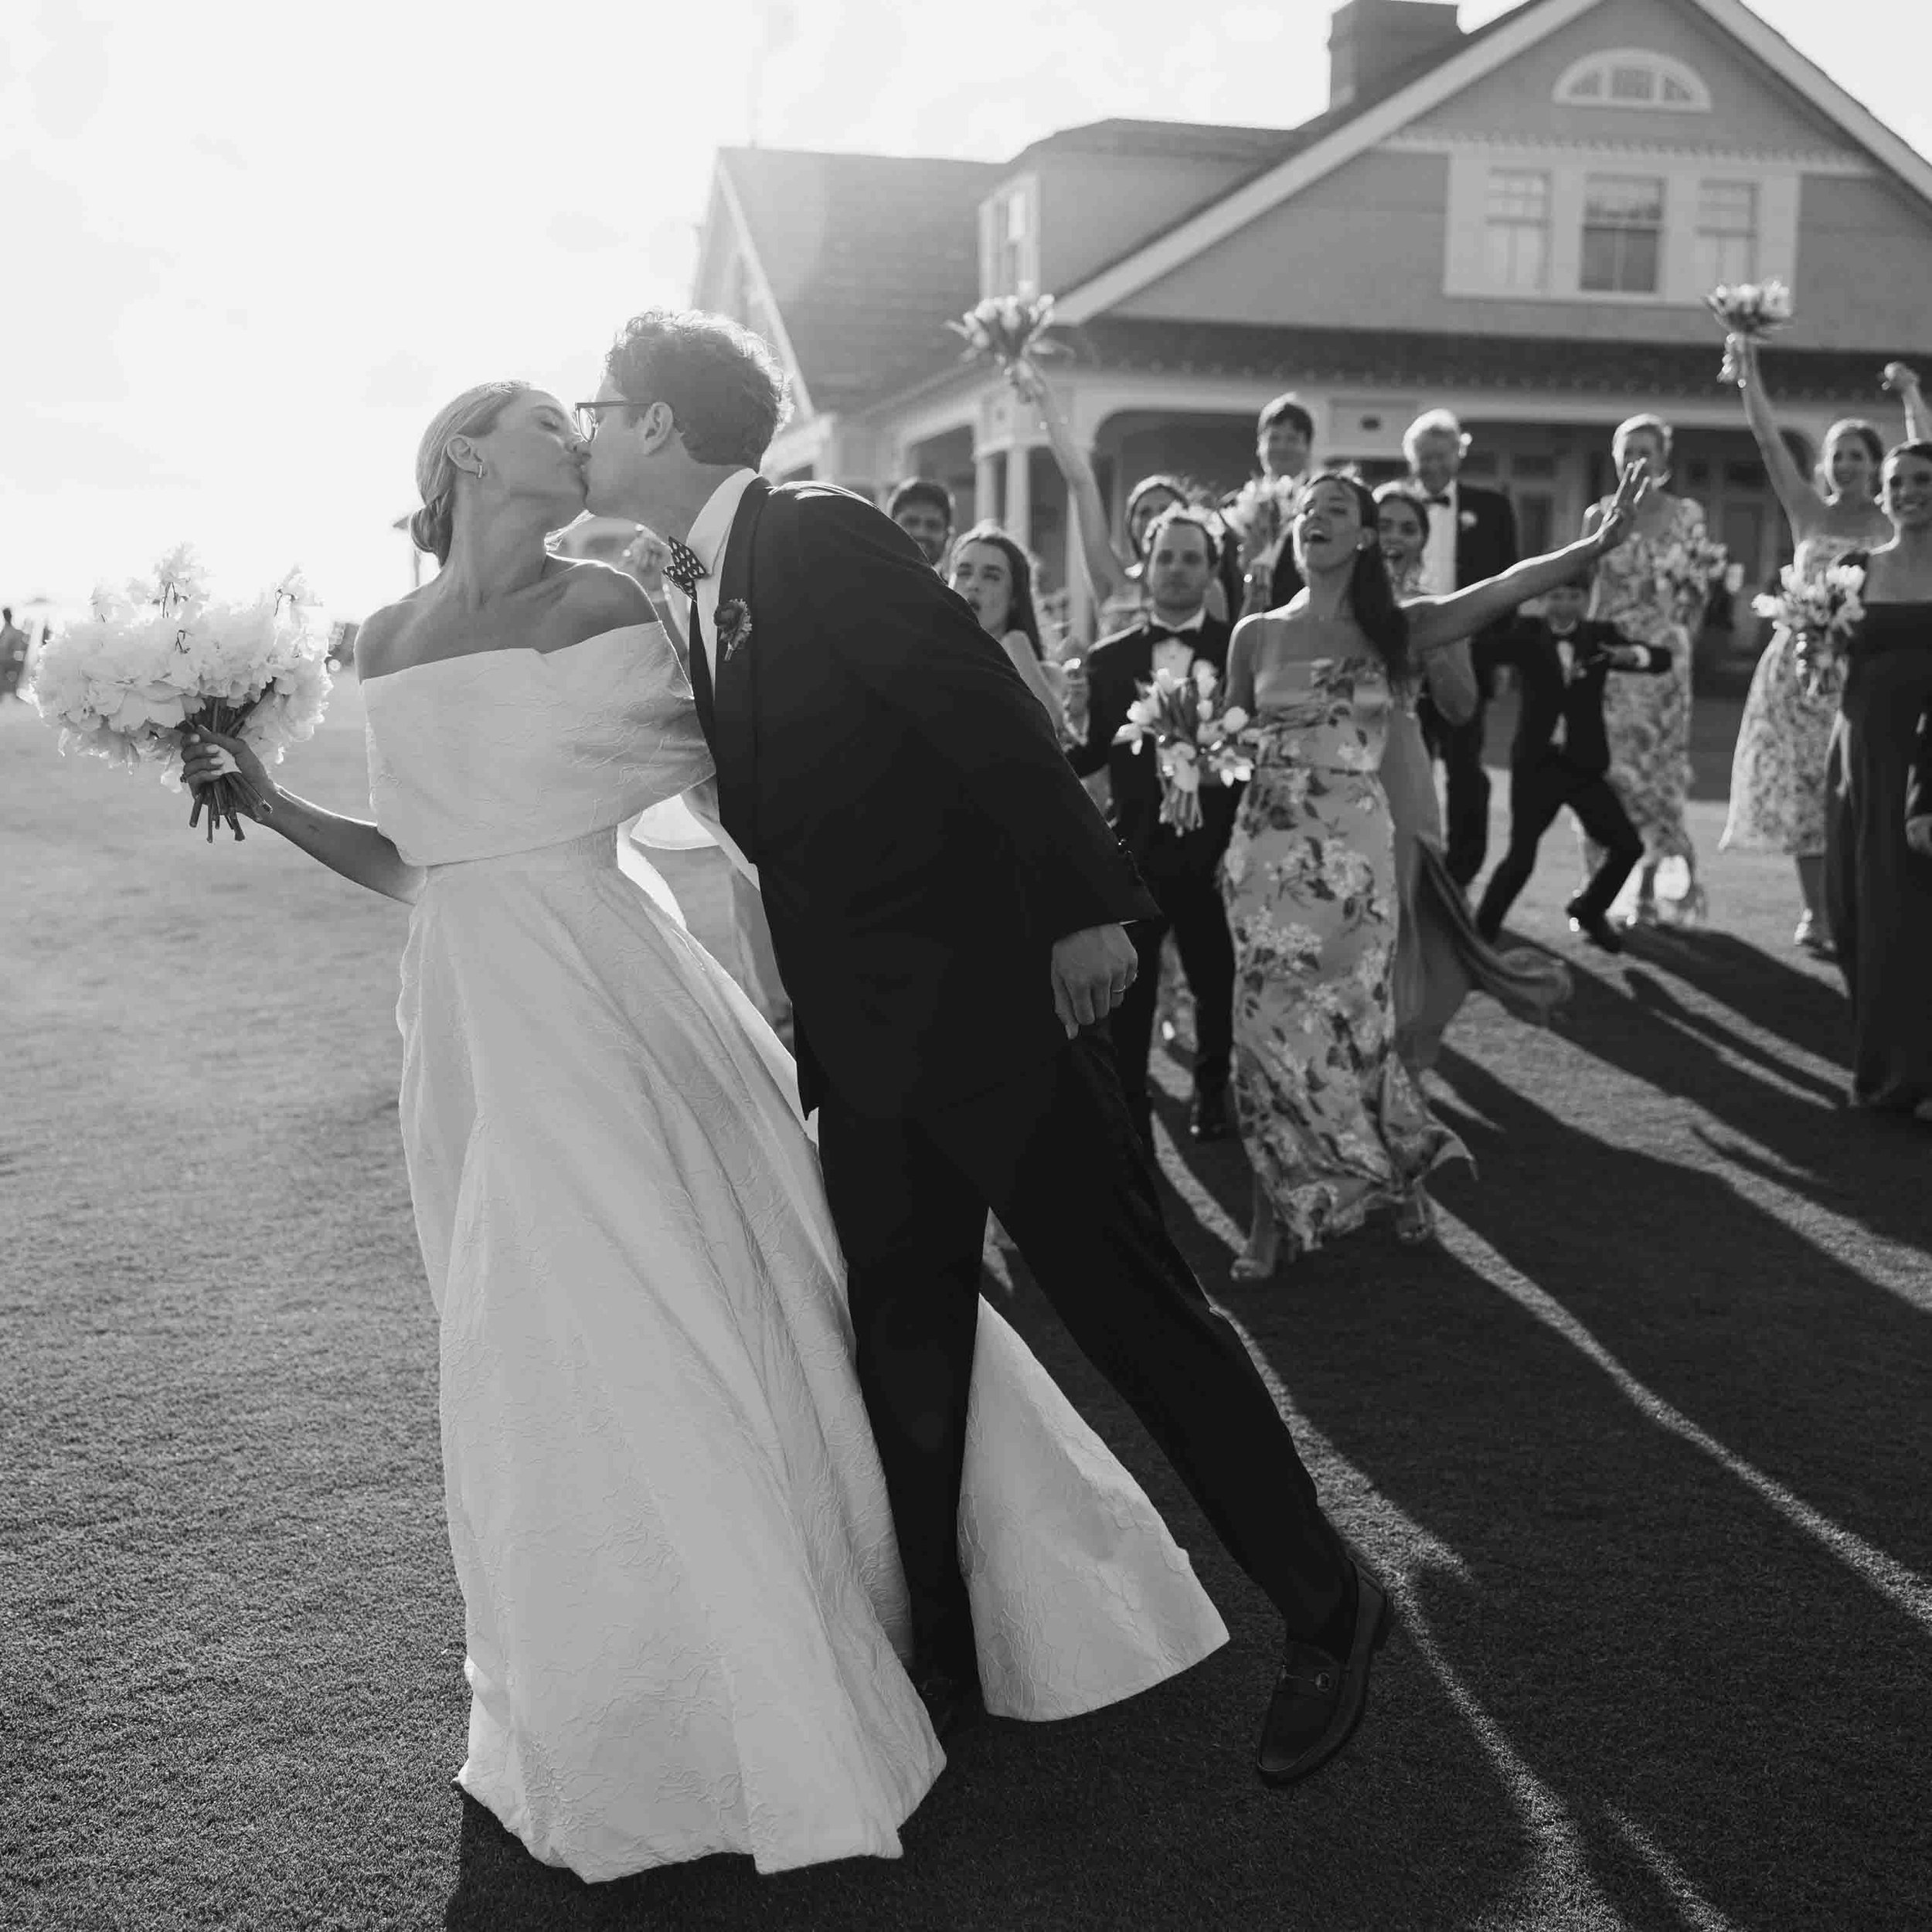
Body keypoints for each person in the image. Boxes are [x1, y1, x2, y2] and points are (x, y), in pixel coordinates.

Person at [176, 380, 1232, 1882]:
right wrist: (271, 802)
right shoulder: (381, 641)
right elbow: (419, 860)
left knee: (661, 1298)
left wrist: (944, 920)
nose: (575, 432)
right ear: (470, 451)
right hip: (473, 1020)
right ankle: (600, 1670)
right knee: (533, 1332)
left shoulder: (611, 602)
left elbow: (765, 783)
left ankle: (793, 1649)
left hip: (611, 995)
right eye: (546, 418)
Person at [581, 307, 1391, 1795]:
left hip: (986, 1014)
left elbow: (974, 707)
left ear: (657, 425)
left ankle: (1333, 1606)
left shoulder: (812, 529)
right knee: (904, 1346)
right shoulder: (691, 583)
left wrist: (1093, 910)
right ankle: (941, 1660)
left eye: (599, 402)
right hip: (863, 1053)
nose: (584, 424)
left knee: (1136, 1316)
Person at [1219, 462, 1647, 1276]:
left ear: (1364, 536)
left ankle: (1398, 1173)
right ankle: (1268, 1219)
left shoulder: (1400, 628)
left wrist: (1590, 546)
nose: (1315, 515)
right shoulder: (1256, 632)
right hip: (1264, 853)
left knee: (1358, 1029)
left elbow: (1498, 589)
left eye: (1335, 507)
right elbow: (1233, 733)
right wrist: (1193, 745)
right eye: (1307, 507)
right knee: (1260, 1038)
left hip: (1353, 858)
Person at [1372, 484, 1570, 1070]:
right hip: (1329, 774)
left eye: (1409, 527)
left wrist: (1436, 645)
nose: (1395, 537)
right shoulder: (1323, 602)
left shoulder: (1438, 610)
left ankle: (1409, 1056)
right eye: (1384, 523)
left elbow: (1460, 707)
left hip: (1399, 770)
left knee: (1412, 918)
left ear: (1423, 544)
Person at [1720, 336, 1897, 954]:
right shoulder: (1808, 513)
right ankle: (1815, 915)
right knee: (1804, 795)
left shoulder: (1893, 524)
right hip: (1797, 673)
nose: (1846, 464)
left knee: (1861, 793)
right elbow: (1769, 442)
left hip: (1863, 672)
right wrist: (1749, 375)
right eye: (1836, 456)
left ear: (1877, 465)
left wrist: (1912, 397)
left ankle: (1862, 907)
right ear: (1824, 466)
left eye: (1856, 455)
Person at [1069, 506, 1239, 1146]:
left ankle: (1213, 1090)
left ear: (1211, 570)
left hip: (1213, 854)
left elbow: (1254, 753)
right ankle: (1132, 1110)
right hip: (1134, 854)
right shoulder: (1110, 659)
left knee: (1214, 980)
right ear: (1147, 566)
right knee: (1130, 998)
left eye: (1190, 558)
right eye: (1165, 557)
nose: (1175, 570)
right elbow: (1091, 755)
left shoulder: (1235, 648)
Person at [1474, 573, 1675, 953]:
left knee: (1627, 846)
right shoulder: (1526, 633)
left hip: (1583, 766)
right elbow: (1480, 649)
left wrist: (1633, 656)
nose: (1563, 604)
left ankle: (1589, 908)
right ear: (1543, 600)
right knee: (1521, 859)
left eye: (1572, 596)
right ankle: (1479, 935)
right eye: (1555, 596)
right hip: (1538, 766)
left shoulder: (1600, 635)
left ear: (1584, 600)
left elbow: (1661, 660)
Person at [1823, 441, 1932, 1112]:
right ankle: (1882, 1067)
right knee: (1857, 907)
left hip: (1929, 756)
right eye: (1899, 482)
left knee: (1916, 912)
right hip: (1862, 755)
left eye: (1924, 480)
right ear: (1882, 492)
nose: (1910, 491)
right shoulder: (1853, 570)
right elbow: (1831, 665)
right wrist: (1812, 645)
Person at [1581, 413, 1712, 925]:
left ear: (1663, 460)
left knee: (1656, 777)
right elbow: (1596, 590)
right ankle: (1604, 886)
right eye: (1627, 450)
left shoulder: (1687, 514)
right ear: (1614, 458)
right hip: (1612, 660)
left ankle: (1650, 892)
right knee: (1608, 772)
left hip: (1663, 666)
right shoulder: (1598, 516)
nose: (1636, 459)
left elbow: (1698, 591)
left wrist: (1685, 644)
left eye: (1646, 451)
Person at [1005, 358, 1230, 633]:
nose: (1153, 517)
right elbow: (1081, 483)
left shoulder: (1208, 587)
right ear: (1131, 525)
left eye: (1164, 509)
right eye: (1144, 511)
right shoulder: (1111, 577)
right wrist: (1045, 402)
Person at [1400, 410, 1519, 889]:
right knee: (1412, 765)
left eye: (1439, 455)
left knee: (1467, 769)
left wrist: (1496, 657)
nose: (1430, 465)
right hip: (1404, 659)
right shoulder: (1393, 507)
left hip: (1466, 654)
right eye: (1422, 457)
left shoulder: (1491, 508)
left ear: (1458, 455)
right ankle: (1413, 860)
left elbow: (1506, 584)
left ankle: (1461, 870)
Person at [947, 520, 1067, 734]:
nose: (973, 584)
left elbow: (1053, 731)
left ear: (1014, 597)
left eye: (991, 576)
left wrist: (1017, 646)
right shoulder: (923, 659)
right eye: (964, 572)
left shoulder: (1049, 676)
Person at [889, 477, 955, 571]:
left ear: (948, 537)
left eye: (933, 525)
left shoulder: (956, 586)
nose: (921, 533)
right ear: (889, 529)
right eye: (911, 522)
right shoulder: (864, 584)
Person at [0, 607, 28, 700]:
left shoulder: (8, 630)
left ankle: (11, 690)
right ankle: (11, 690)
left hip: (7, 659)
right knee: (19, 664)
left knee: (20, 664)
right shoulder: (7, 631)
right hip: (6, 660)